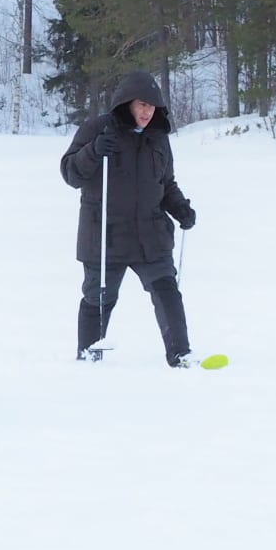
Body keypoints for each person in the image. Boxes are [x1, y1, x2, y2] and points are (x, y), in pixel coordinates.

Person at [59, 70, 197, 367]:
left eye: (152, 106)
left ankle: (180, 354)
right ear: (126, 104)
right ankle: (88, 357)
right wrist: (93, 151)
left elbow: (166, 183)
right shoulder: (97, 130)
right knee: (99, 297)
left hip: (151, 234)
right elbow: (70, 173)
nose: (147, 112)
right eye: (141, 105)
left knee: (167, 290)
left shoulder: (158, 138)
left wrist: (180, 208)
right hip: (106, 234)